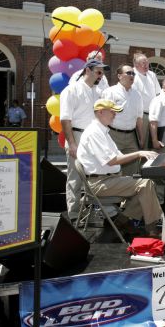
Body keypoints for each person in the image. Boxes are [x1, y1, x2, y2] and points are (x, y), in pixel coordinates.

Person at [77, 99, 164, 238]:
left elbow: (119, 156)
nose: (114, 114)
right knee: (145, 184)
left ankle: (123, 221)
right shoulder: (94, 133)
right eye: (112, 111)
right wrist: (139, 153)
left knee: (146, 184)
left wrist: (143, 156)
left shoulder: (102, 131)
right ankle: (152, 229)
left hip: (107, 180)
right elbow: (112, 161)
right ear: (100, 112)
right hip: (99, 183)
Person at [60, 59, 107, 219]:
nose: (101, 76)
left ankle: (89, 211)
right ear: (87, 70)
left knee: (94, 176)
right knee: (75, 177)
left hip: (94, 137)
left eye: (102, 73)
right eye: (98, 72)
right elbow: (65, 119)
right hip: (77, 135)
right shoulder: (71, 90)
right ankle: (73, 214)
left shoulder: (98, 92)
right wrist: (72, 143)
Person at [101, 65, 144, 176]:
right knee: (113, 168)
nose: (132, 75)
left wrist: (141, 138)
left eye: (133, 73)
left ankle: (128, 186)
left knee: (132, 169)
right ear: (119, 76)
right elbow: (103, 115)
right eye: (128, 73)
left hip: (131, 137)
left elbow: (139, 119)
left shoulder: (137, 95)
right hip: (113, 134)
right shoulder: (110, 92)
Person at [132, 51, 161, 147]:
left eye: (147, 63)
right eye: (143, 63)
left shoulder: (152, 75)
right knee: (141, 144)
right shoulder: (132, 74)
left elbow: (158, 93)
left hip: (153, 115)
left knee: (152, 144)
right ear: (136, 65)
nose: (146, 65)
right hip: (140, 116)